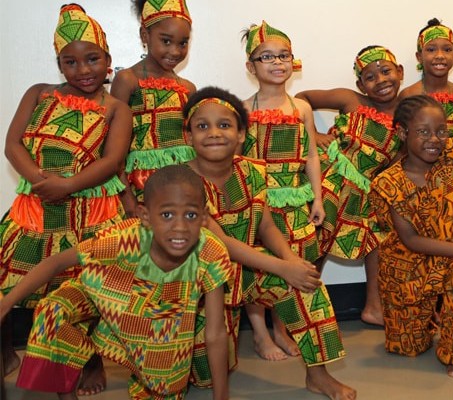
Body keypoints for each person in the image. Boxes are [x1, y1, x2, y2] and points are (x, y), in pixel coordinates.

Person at [0, 165, 232, 400]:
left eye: (191, 215)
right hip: (101, 294)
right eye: (167, 215)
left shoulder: (210, 253)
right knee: (53, 310)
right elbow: (57, 262)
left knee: (165, 388)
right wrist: (5, 304)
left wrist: (221, 396)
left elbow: (215, 333)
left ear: (204, 217)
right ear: (145, 216)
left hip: (154, 315)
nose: (180, 227)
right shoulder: (125, 238)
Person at [182, 87, 356, 400]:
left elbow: (264, 222)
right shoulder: (182, 182)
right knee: (202, 376)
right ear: (188, 137)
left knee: (305, 284)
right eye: (202, 126)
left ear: (240, 135)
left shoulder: (252, 171)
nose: (213, 133)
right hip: (197, 283)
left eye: (224, 125)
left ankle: (319, 376)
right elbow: (221, 242)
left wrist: (291, 260)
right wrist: (281, 266)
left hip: (246, 270)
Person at [0, 4, 132, 394]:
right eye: (70, 62)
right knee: (8, 283)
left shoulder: (115, 109)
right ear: (59, 64)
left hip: (89, 214)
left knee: (84, 289)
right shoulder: (39, 93)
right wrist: (42, 181)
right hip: (34, 211)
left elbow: (112, 162)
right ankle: (6, 350)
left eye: (92, 59)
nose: (83, 70)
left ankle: (90, 360)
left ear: (108, 60)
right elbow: (12, 145)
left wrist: (68, 186)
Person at [370, 95, 453, 377]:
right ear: (402, 133)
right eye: (423, 132)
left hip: (451, 255)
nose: (435, 139)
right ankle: (428, 321)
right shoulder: (388, 183)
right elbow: (410, 239)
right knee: (408, 348)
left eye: (441, 131)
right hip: (407, 269)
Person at [296, 45, 404, 326]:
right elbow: (301, 97)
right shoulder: (351, 100)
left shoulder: (407, 115)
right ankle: (303, 306)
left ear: (400, 72)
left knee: (377, 240)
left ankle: (374, 306)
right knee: (317, 241)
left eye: (385, 71)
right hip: (332, 182)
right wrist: (314, 134)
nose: (380, 80)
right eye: (370, 77)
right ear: (360, 84)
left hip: (366, 192)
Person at [239, 21, 325, 362]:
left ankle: (282, 328)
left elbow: (312, 154)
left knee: (292, 263)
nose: (277, 63)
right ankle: (260, 335)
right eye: (267, 57)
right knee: (260, 268)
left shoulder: (300, 108)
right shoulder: (244, 110)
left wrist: (317, 196)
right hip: (259, 205)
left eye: (284, 56)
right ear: (251, 66)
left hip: (294, 200)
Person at [111, 0, 196, 215]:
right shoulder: (127, 80)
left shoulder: (187, 88)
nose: (175, 51)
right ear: (144, 36)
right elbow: (113, 149)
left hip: (184, 186)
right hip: (141, 189)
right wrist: (128, 201)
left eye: (183, 43)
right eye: (166, 41)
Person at [398, 18, 453, 164]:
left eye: (447, 49)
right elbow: (403, 145)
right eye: (431, 49)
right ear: (419, 57)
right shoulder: (409, 95)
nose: (440, 55)